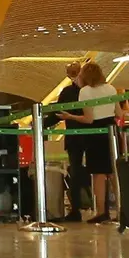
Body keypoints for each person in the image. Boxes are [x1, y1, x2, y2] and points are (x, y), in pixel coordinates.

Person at [58, 62, 121, 224]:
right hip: (112, 131)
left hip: (95, 134)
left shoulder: (85, 92)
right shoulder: (111, 88)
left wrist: (69, 117)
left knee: (99, 174)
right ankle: (122, 210)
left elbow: (89, 118)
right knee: (114, 172)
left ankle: (101, 212)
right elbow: (118, 113)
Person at [48, 62, 89, 221]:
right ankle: (101, 209)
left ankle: (76, 209)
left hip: (75, 138)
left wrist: (39, 124)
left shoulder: (68, 92)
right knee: (99, 173)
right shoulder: (93, 91)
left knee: (76, 173)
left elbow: (57, 113)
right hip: (93, 136)